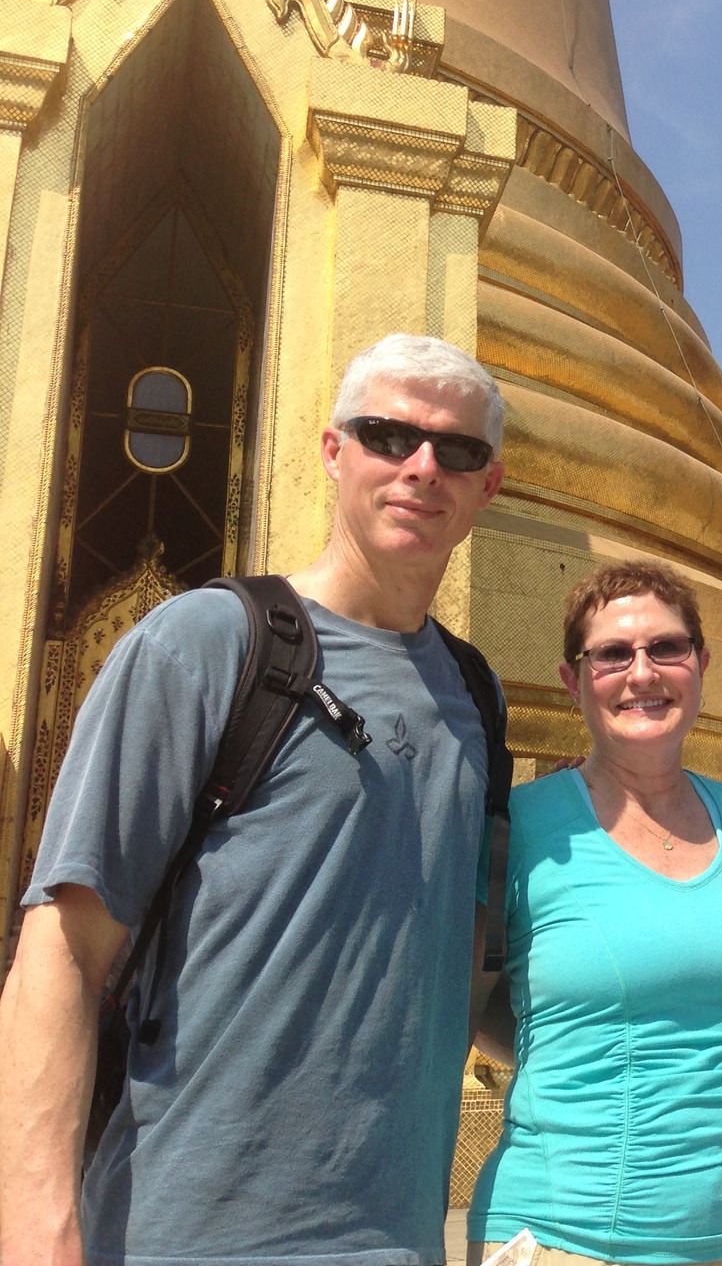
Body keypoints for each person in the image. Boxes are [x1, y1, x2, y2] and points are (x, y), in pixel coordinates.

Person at [0, 334, 508, 1266]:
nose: (422, 467)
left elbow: (461, 966)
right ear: (334, 450)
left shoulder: (476, 700)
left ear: (489, 486)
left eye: (457, 450)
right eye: (388, 434)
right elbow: (63, 949)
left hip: (396, 1240)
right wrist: (37, 1231)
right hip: (185, 1232)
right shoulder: (205, 646)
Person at [466, 561, 722, 1266]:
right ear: (573, 680)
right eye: (613, 654)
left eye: (667, 648)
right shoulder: (520, 827)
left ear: (702, 664)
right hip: (578, 1236)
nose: (642, 673)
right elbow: (468, 1011)